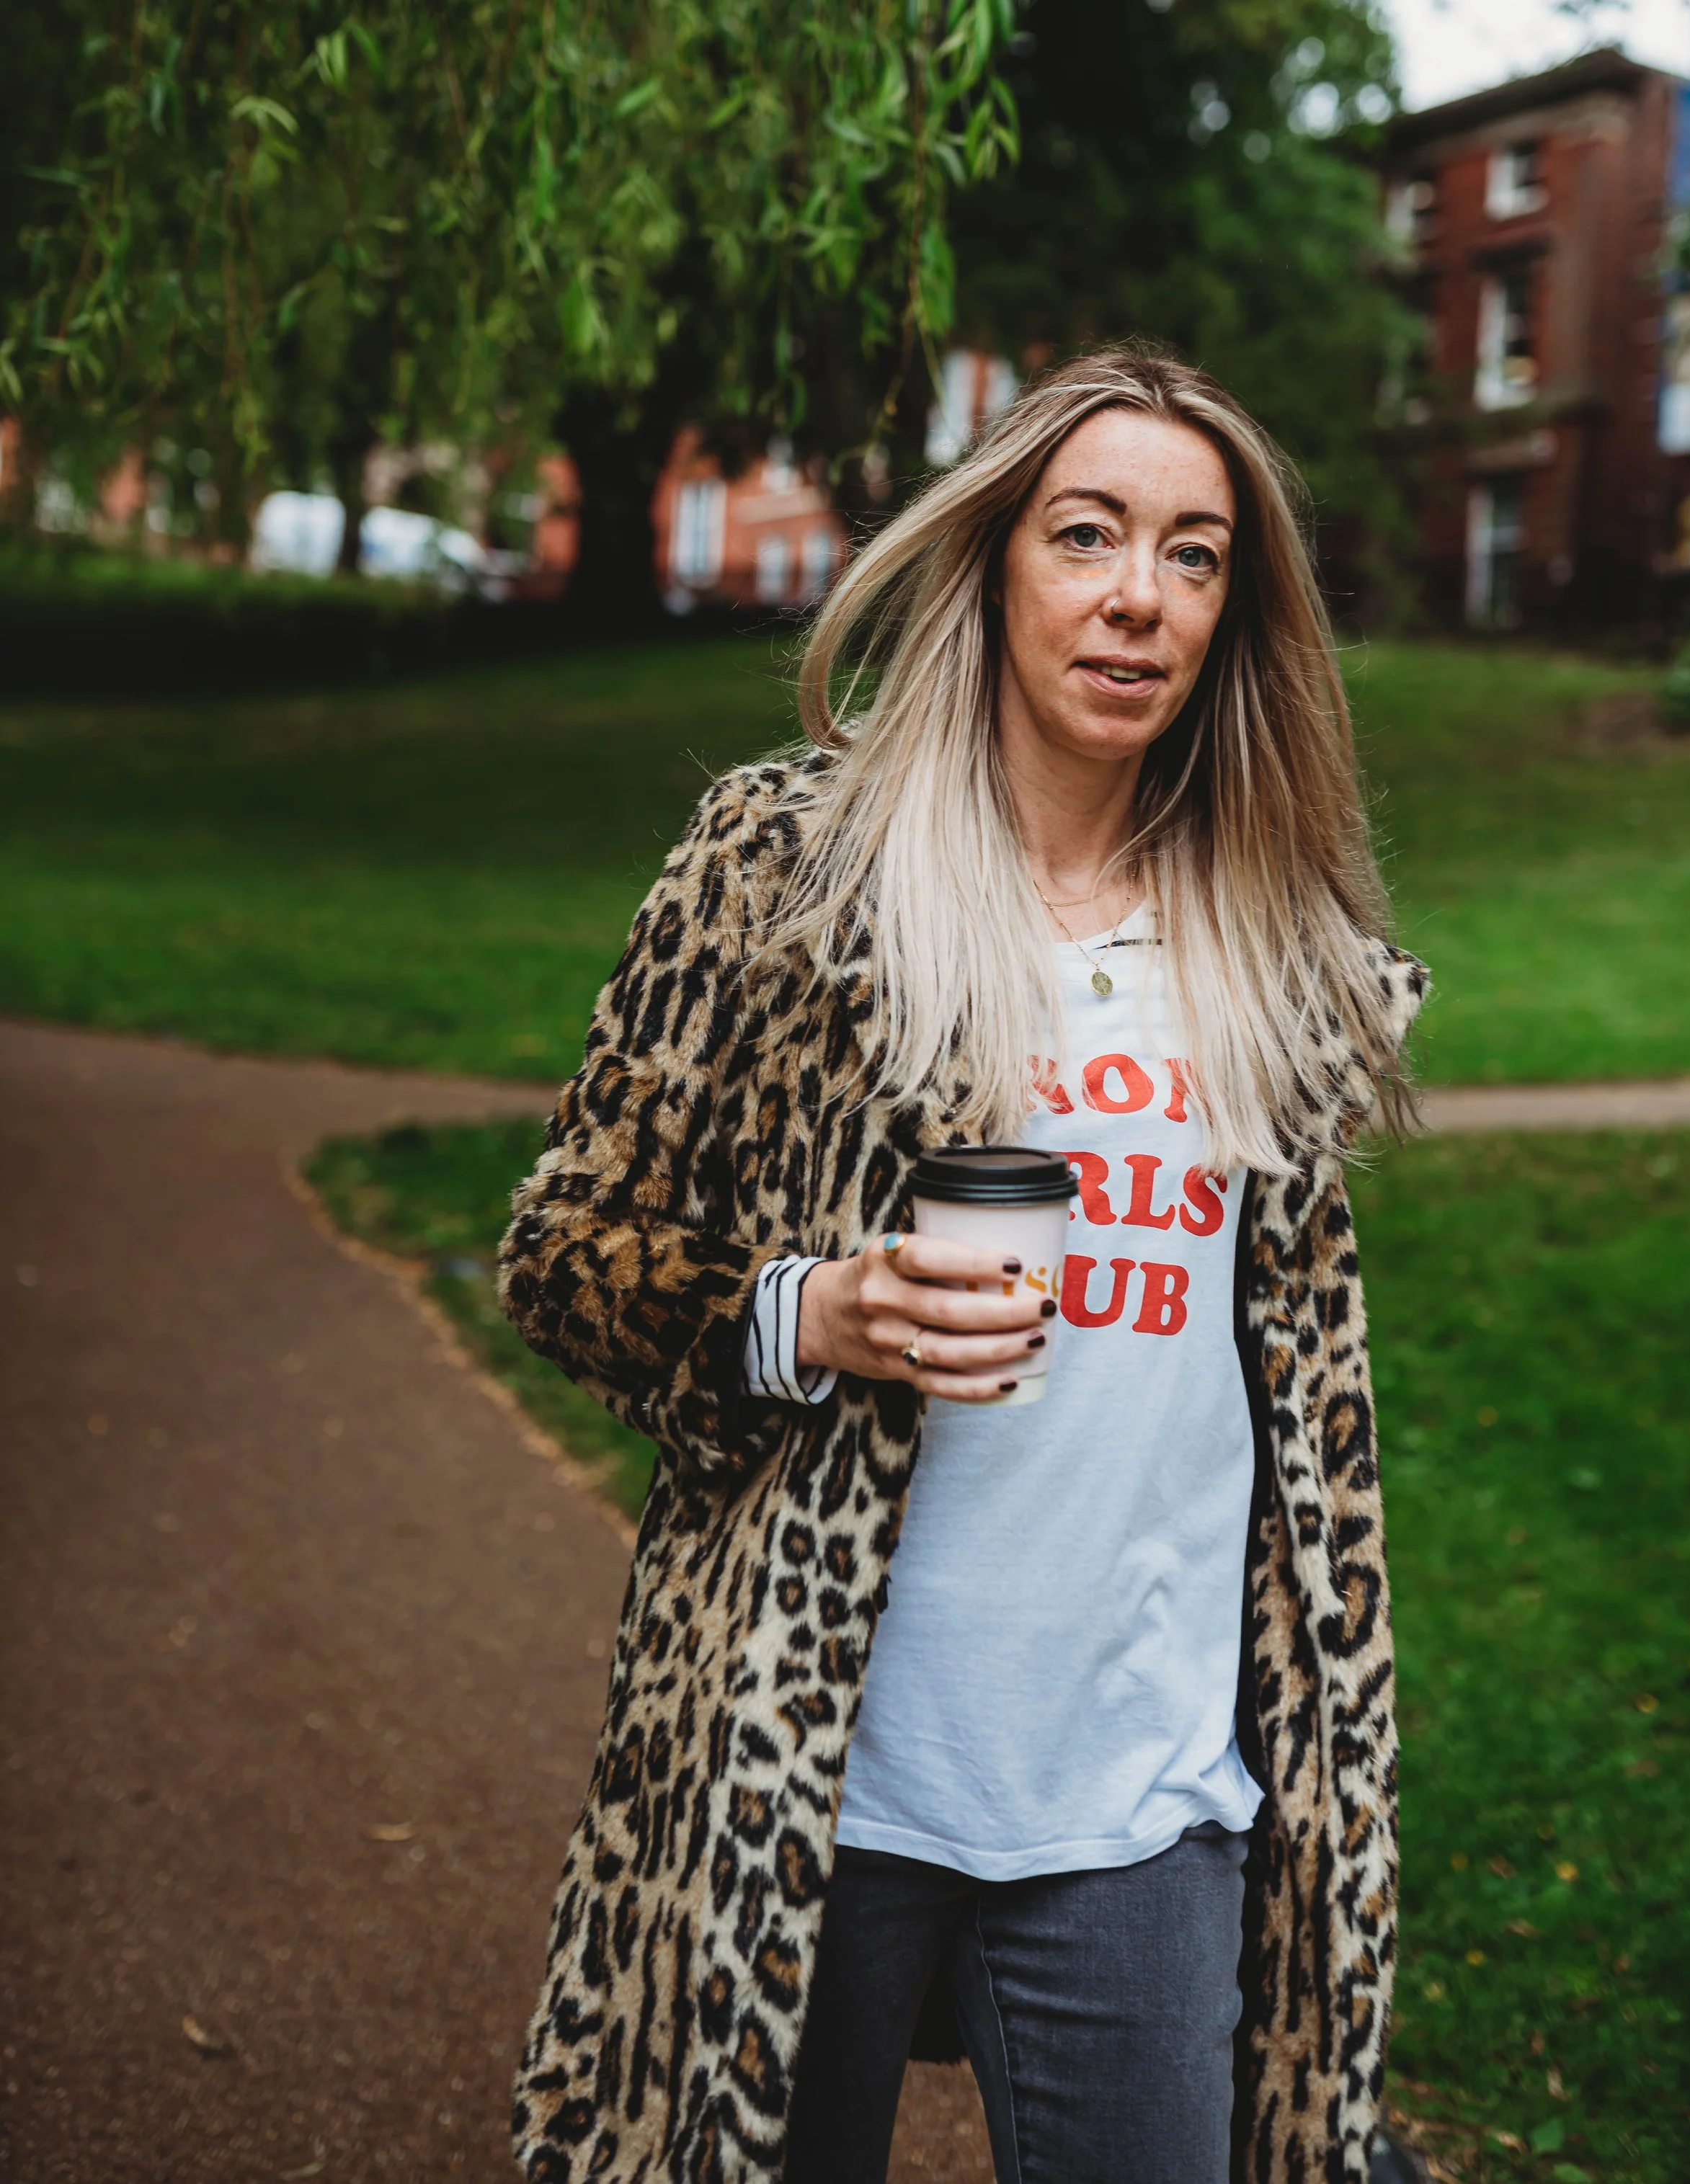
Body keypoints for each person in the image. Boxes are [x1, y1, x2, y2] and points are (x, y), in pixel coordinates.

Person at [498, 348, 1426, 2184]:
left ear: (1231, 611)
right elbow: (562, 1248)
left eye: (1192, 554)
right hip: (811, 1765)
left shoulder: (1270, 937)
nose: (1137, 596)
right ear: (992, 560)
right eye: (1085, 535)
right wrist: (812, 1311)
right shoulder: (789, 866)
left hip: (1141, 1789)